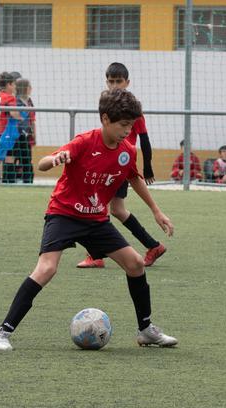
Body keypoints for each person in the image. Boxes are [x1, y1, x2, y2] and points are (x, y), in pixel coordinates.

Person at [0, 88, 177, 352]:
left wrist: (157, 211)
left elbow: (134, 178)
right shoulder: (84, 142)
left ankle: (146, 330)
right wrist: (56, 158)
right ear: (105, 119)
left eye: (131, 125)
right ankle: (2, 333)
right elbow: (42, 164)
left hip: (96, 220)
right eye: (123, 125)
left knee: (135, 264)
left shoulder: (127, 150)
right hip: (64, 213)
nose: (127, 130)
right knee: (46, 269)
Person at [77, 62, 164, 269]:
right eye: (111, 81)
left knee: (97, 205)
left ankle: (95, 255)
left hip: (121, 163)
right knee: (116, 209)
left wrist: (148, 166)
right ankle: (153, 246)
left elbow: (144, 138)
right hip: (110, 161)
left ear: (127, 82)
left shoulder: (132, 108)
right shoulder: (108, 103)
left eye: (119, 81)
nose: (114, 85)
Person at [0, 72, 24, 183]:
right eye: (13, 84)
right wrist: (21, 118)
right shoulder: (9, 97)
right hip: (6, 131)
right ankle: (8, 180)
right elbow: (13, 113)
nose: (15, 87)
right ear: (9, 85)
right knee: (10, 156)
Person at [15, 78, 35, 183]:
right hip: (18, 134)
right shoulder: (16, 101)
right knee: (16, 157)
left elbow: (32, 119)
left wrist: (33, 133)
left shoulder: (29, 101)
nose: (31, 88)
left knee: (27, 158)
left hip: (27, 134)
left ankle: (28, 180)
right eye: (29, 86)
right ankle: (12, 179)